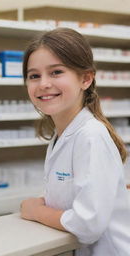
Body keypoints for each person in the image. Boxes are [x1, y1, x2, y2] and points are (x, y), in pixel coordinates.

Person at [20, 27, 130, 256]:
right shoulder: (62, 134)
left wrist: (35, 210)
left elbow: (87, 225)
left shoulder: (91, 136)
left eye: (56, 72)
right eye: (34, 75)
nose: (43, 84)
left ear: (86, 78)